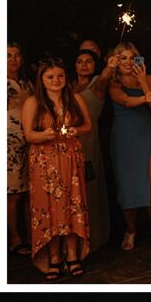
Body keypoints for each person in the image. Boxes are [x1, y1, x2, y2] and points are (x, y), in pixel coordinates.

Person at [22, 58, 91, 279]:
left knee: (72, 206)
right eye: (50, 77)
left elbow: (87, 125)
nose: (56, 80)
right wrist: (44, 135)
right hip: (44, 162)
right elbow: (29, 134)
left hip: (70, 159)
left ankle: (72, 255)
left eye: (60, 76)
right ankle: (53, 257)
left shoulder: (75, 99)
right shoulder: (33, 102)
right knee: (49, 208)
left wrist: (74, 131)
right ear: (42, 80)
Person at [108, 41, 151, 250]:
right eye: (123, 58)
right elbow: (125, 101)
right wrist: (144, 97)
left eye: (132, 58)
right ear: (117, 61)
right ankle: (130, 229)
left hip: (145, 134)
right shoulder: (114, 82)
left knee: (146, 184)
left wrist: (143, 82)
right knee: (126, 186)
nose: (128, 62)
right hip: (123, 136)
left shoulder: (148, 78)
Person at [71, 48, 113, 253]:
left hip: (89, 139)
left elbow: (105, 78)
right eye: (80, 61)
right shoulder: (68, 85)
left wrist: (110, 66)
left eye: (88, 61)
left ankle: (92, 237)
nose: (84, 65)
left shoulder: (97, 83)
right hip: (70, 139)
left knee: (90, 186)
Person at [6, 42, 32, 254]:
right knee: (13, 193)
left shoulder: (26, 83)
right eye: (8, 55)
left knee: (27, 192)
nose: (13, 59)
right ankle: (15, 237)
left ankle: (32, 234)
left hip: (29, 139)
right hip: (9, 141)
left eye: (16, 55)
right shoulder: (1, 82)